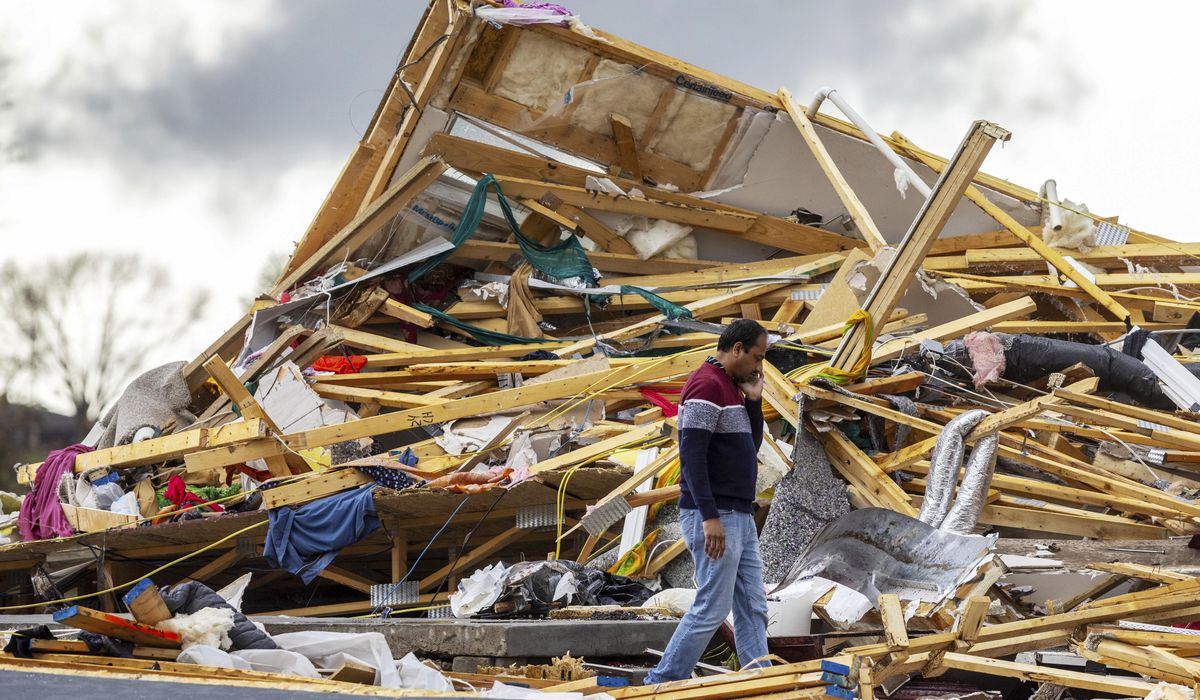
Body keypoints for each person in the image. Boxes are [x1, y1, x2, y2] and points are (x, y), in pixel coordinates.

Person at [643, 319, 770, 684]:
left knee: (753, 607)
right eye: (756, 357)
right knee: (713, 606)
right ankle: (661, 682)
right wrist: (709, 516)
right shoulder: (706, 385)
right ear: (737, 349)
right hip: (716, 515)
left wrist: (754, 403)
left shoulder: (731, 388)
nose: (758, 366)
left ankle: (760, 682)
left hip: (739, 515)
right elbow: (692, 457)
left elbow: (751, 446)